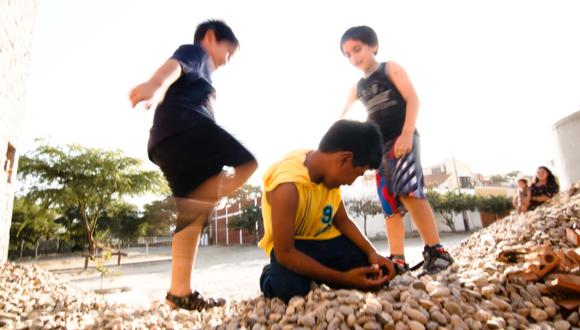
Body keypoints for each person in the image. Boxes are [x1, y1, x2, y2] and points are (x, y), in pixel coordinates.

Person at [129, 20, 257, 310]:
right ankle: (210, 193)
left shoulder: (203, 76)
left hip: (167, 143)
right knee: (248, 163)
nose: (227, 61)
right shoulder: (195, 53)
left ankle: (179, 293)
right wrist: (155, 85)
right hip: (185, 127)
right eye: (228, 52)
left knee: (191, 218)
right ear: (210, 38)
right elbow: (173, 67)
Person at [339, 26, 453, 275]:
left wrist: (407, 132)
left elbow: (413, 98)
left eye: (357, 49)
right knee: (389, 204)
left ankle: (437, 251)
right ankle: (398, 260)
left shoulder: (389, 68)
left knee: (410, 192)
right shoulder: (358, 87)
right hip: (378, 151)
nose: (354, 57)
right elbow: (342, 116)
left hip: (402, 139)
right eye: (347, 54)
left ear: (373, 46)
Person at [258, 120, 395, 303]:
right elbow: (285, 252)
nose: (351, 182)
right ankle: (269, 274)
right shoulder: (287, 186)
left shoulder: (329, 176)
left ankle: (317, 276)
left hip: (324, 243)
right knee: (291, 290)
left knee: (372, 271)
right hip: (293, 248)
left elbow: (343, 220)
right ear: (344, 159)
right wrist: (343, 279)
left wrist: (372, 252)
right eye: (357, 174)